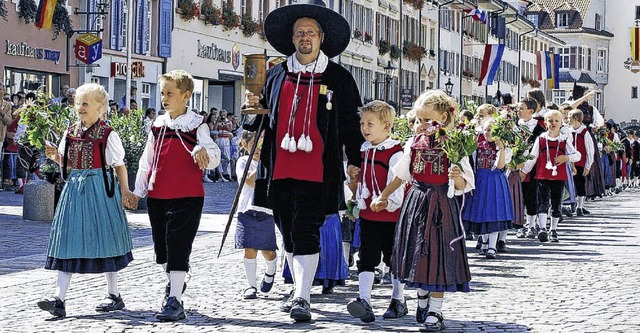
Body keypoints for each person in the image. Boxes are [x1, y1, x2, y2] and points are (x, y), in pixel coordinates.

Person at [243, 0, 363, 322]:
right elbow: (261, 119)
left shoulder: (338, 78)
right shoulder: (277, 74)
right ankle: (299, 289)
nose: (304, 38)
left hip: (317, 171)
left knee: (306, 229)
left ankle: (302, 297)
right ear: (292, 38)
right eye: (299, 33)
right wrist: (251, 109)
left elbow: (353, 126)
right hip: (279, 169)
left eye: (310, 32)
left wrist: (357, 161)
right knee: (288, 233)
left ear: (321, 37)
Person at [372, 90, 474, 332]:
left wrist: (457, 177)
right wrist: (384, 196)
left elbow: (464, 185)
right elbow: (401, 174)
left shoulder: (454, 143)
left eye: (429, 120)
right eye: (419, 120)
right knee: (417, 252)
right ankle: (422, 298)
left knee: (438, 255)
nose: (423, 125)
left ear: (444, 118)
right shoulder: (413, 143)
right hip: (417, 201)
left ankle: (436, 312)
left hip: (441, 203)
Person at [38, 83, 136, 318]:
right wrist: (56, 157)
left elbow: (118, 165)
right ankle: (58, 299)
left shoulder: (107, 134)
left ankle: (113, 294)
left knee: (106, 238)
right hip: (75, 190)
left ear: (100, 107)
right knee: (67, 239)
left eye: (85, 103)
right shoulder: (70, 131)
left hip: (101, 189)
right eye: (77, 103)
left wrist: (125, 191)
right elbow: (70, 163)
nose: (79, 107)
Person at [132, 69, 220, 322]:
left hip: (187, 195)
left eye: (169, 93)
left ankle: (174, 300)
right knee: (162, 250)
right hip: (158, 194)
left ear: (186, 96)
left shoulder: (196, 125)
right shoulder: (158, 125)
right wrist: (137, 192)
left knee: (178, 245)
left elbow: (213, 155)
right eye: (162, 93)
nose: (164, 98)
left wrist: (203, 152)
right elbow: (146, 161)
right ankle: (174, 284)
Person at [345, 100, 406, 323]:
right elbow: (362, 183)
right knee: (366, 256)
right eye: (363, 123)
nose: (364, 128)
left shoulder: (395, 152)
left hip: (391, 216)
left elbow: (398, 181)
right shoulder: (364, 150)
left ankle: (398, 299)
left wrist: (388, 202)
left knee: (393, 258)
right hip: (369, 214)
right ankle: (364, 301)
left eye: (370, 123)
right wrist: (354, 195)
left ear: (387, 126)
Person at [520, 110, 581, 243]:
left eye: (556, 121)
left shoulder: (564, 140)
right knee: (543, 202)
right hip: (542, 175)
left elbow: (577, 155)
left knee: (556, 203)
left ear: (560, 124)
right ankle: (542, 228)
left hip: (559, 177)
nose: (553, 123)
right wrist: (525, 171)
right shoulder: (541, 138)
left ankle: (553, 229)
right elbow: (533, 157)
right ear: (546, 123)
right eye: (550, 121)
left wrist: (567, 158)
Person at [463, 107, 513, 259]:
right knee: (481, 211)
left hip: (495, 179)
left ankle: (492, 245)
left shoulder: (503, 146)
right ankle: (484, 243)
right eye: (485, 130)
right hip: (480, 178)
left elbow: (500, 165)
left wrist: (501, 148)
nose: (487, 133)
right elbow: (471, 163)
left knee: (494, 212)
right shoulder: (477, 145)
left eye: (491, 130)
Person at [235, 131, 278, 300]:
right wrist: (261, 164)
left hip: (266, 211)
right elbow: (250, 181)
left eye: (261, 145)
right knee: (249, 249)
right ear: (245, 146)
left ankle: (270, 270)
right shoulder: (243, 162)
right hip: (246, 210)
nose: (258, 149)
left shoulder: (270, 163)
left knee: (268, 251)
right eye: (254, 145)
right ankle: (250, 285)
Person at [516, 97, 546, 239]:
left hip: (532, 168)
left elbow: (535, 153)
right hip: (515, 166)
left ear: (531, 111)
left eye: (521, 108)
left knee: (531, 196)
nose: (518, 111)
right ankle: (520, 225)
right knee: (517, 197)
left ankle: (531, 225)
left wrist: (525, 169)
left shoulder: (539, 129)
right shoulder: (514, 126)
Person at [568, 109, 594, 217]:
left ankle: (580, 206)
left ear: (576, 119)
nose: (567, 119)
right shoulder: (568, 131)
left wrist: (588, 165)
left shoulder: (585, 133)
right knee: (570, 185)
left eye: (569, 116)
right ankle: (570, 205)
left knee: (580, 184)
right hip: (569, 162)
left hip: (580, 163)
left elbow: (589, 150)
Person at [215, 109, 233, 181]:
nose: (222, 116)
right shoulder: (217, 121)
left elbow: (230, 130)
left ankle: (227, 173)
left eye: (224, 115)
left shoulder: (228, 121)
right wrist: (217, 122)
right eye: (221, 114)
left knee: (227, 157)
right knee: (219, 157)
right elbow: (214, 129)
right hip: (219, 139)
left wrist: (224, 123)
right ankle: (220, 174)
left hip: (225, 140)